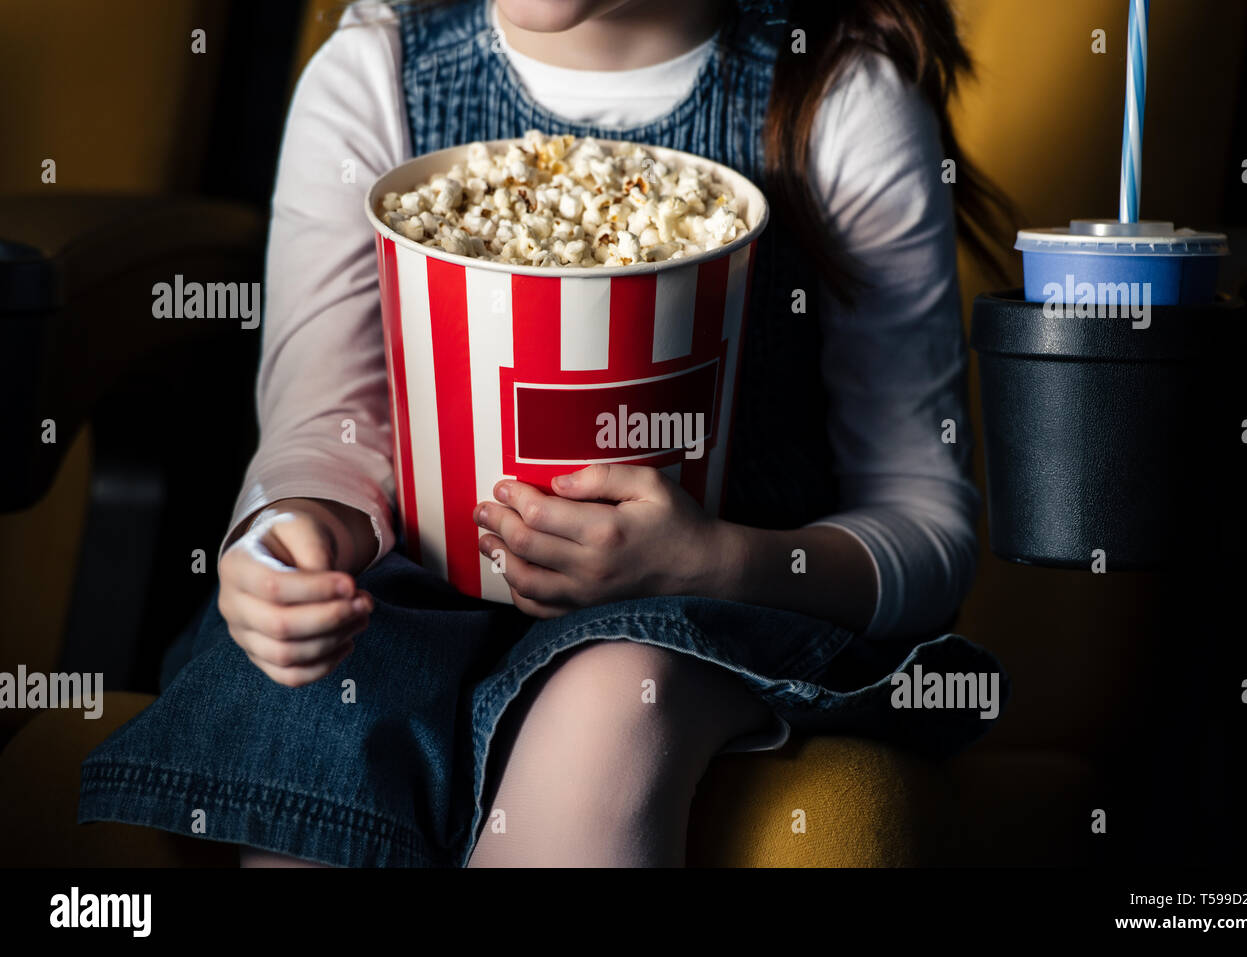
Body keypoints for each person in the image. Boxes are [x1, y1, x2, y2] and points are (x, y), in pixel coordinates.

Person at [79, 0, 1010, 867]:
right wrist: (298, 536)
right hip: (413, 591)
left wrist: (717, 563)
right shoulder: (376, 72)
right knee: (312, 690)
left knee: (615, 698)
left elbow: (926, 524)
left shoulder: (837, 103)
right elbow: (326, 422)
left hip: (717, 617)